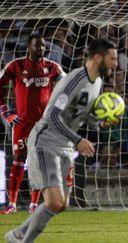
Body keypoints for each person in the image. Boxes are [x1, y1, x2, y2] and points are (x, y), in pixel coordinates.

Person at [4, 38, 118, 243]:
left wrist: (100, 124)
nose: (115, 64)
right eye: (112, 59)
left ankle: (17, 235)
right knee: (54, 201)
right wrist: (78, 140)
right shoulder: (75, 80)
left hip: (64, 145)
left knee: (62, 203)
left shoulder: (98, 83)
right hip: (45, 140)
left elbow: (81, 116)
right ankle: (22, 240)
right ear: (98, 58)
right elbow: (54, 117)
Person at [0, 34, 65, 214]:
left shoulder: (52, 67)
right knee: (18, 161)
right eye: (37, 46)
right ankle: (12, 204)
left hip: (43, 124)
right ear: (29, 47)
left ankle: (34, 206)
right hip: (22, 123)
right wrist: (6, 112)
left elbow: (67, 87)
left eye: (43, 46)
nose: (41, 49)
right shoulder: (16, 65)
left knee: (38, 162)